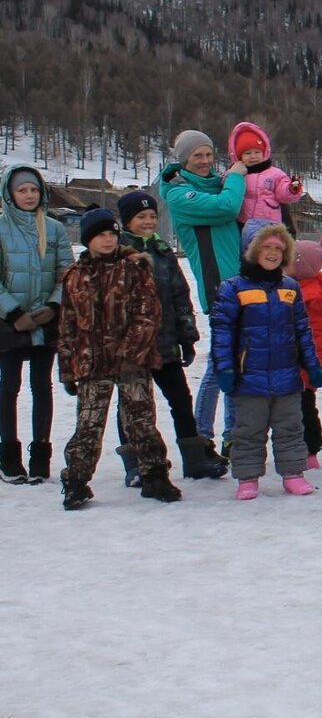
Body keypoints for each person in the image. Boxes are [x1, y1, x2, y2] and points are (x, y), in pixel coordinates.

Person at [58, 209, 181, 509]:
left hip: (132, 361)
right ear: (88, 240)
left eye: (112, 234)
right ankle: (76, 481)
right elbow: (67, 325)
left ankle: (154, 474)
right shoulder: (75, 276)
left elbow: (149, 314)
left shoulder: (135, 267)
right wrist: (67, 368)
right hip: (92, 362)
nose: (108, 239)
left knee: (141, 420)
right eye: (101, 235)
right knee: (88, 424)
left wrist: (131, 353)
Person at [210, 222, 322, 500]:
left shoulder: (290, 288)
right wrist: (225, 368)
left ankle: (293, 474)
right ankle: (248, 478)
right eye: (267, 247)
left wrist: (312, 365)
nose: (273, 253)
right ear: (252, 251)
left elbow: (302, 330)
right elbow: (222, 332)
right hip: (249, 375)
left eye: (279, 248)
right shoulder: (233, 287)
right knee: (249, 429)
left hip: (287, 376)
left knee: (290, 427)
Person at [116, 191, 226, 483]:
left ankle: (193, 459)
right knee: (132, 404)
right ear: (127, 221)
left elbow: (180, 295)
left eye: (152, 216)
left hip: (165, 342)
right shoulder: (118, 254)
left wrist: (187, 336)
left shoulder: (163, 251)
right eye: (141, 217)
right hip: (132, 347)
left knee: (180, 398)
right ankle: (135, 463)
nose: (148, 221)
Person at [159, 129, 247, 455]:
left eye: (209, 154)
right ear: (183, 160)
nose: (205, 161)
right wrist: (237, 176)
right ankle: (202, 435)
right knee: (220, 363)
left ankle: (232, 435)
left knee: (238, 360)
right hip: (219, 287)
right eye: (197, 155)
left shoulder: (214, 184)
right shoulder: (180, 195)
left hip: (242, 283)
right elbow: (226, 207)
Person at [0, 165, 72, 485]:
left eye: (33, 190)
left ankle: (40, 457)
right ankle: (9, 458)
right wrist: (14, 313)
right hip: (9, 324)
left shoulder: (54, 229)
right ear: (10, 194)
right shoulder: (1, 228)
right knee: (8, 388)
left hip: (46, 322)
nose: (29, 195)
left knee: (42, 387)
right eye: (22, 190)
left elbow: (67, 272)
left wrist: (54, 305)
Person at [289, 234, 322, 470]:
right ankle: (308, 451)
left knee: (302, 409)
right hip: (303, 360)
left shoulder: (305, 296)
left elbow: (317, 336)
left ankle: (309, 451)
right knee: (305, 408)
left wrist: (320, 365)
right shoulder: (304, 287)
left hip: (305, 362)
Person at [226, 121, 304, 227]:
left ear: (264, 153)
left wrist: (292, 188)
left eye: (257, 152)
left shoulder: (275, 174)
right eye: (248, 153)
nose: (253, 156)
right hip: (243, 224)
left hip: (269, 224)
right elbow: (226, 187)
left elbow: (283, 194)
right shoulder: (236, 174)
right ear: (240, 157)